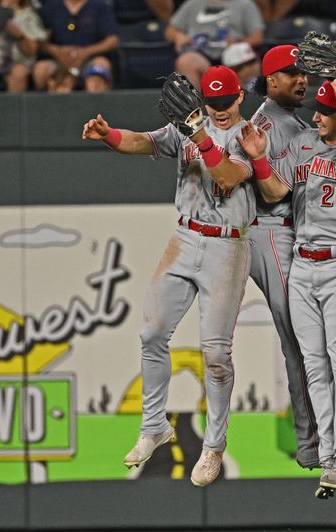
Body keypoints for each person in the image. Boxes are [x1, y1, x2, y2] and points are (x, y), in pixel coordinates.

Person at [82, 66, 255, 487]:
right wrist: (108, 134)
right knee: (152, 333)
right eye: (212, 104)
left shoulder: (252, 134)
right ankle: (153, 426)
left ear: (240, 99)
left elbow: (229, 177)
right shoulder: (189, 124)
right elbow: (145, 142)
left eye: (225, 102)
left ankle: (213, 446)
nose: (219, 111)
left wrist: (198, 133)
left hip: (227, 244)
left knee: (215, 355)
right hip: (186, 235)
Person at [239, 75, 336, 494]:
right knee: (314, 365)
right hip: (303, 263)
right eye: (318, 110)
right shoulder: (305, 144)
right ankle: (330, 456)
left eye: (326, 111)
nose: (317, 117)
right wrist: (259, 160)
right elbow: (274, 194)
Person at [247, 44, 320, 469]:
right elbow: (271, 190)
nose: (301, 79)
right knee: (301, 339)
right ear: (270, 80)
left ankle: (320, 439)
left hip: (285, 231)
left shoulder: (289, 120)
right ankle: (311, 443)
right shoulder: (265, 124)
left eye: (304, 73)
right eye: (291, 73)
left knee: (310, 338)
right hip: (270, 229)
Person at [164, 0, 264, 88]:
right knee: (186, 62)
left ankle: (243, 102)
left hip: (233, 53)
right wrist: (178, 36)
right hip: (201, 52)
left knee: (249, 60)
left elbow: (257, 37)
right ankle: (194, 106)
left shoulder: (245, 4)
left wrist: (238, 43)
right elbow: (170, 31)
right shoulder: (193, 3)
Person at [33, 0, 119, 91]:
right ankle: (45, 104)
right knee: (41, 69)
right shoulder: (50, 7)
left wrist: (85, 52)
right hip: (57, 60)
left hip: (90, 58)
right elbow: (38, 41)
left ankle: (97, 104)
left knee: (101, 66)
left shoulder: (100, 6)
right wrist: (57, 51)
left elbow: (112, 41)